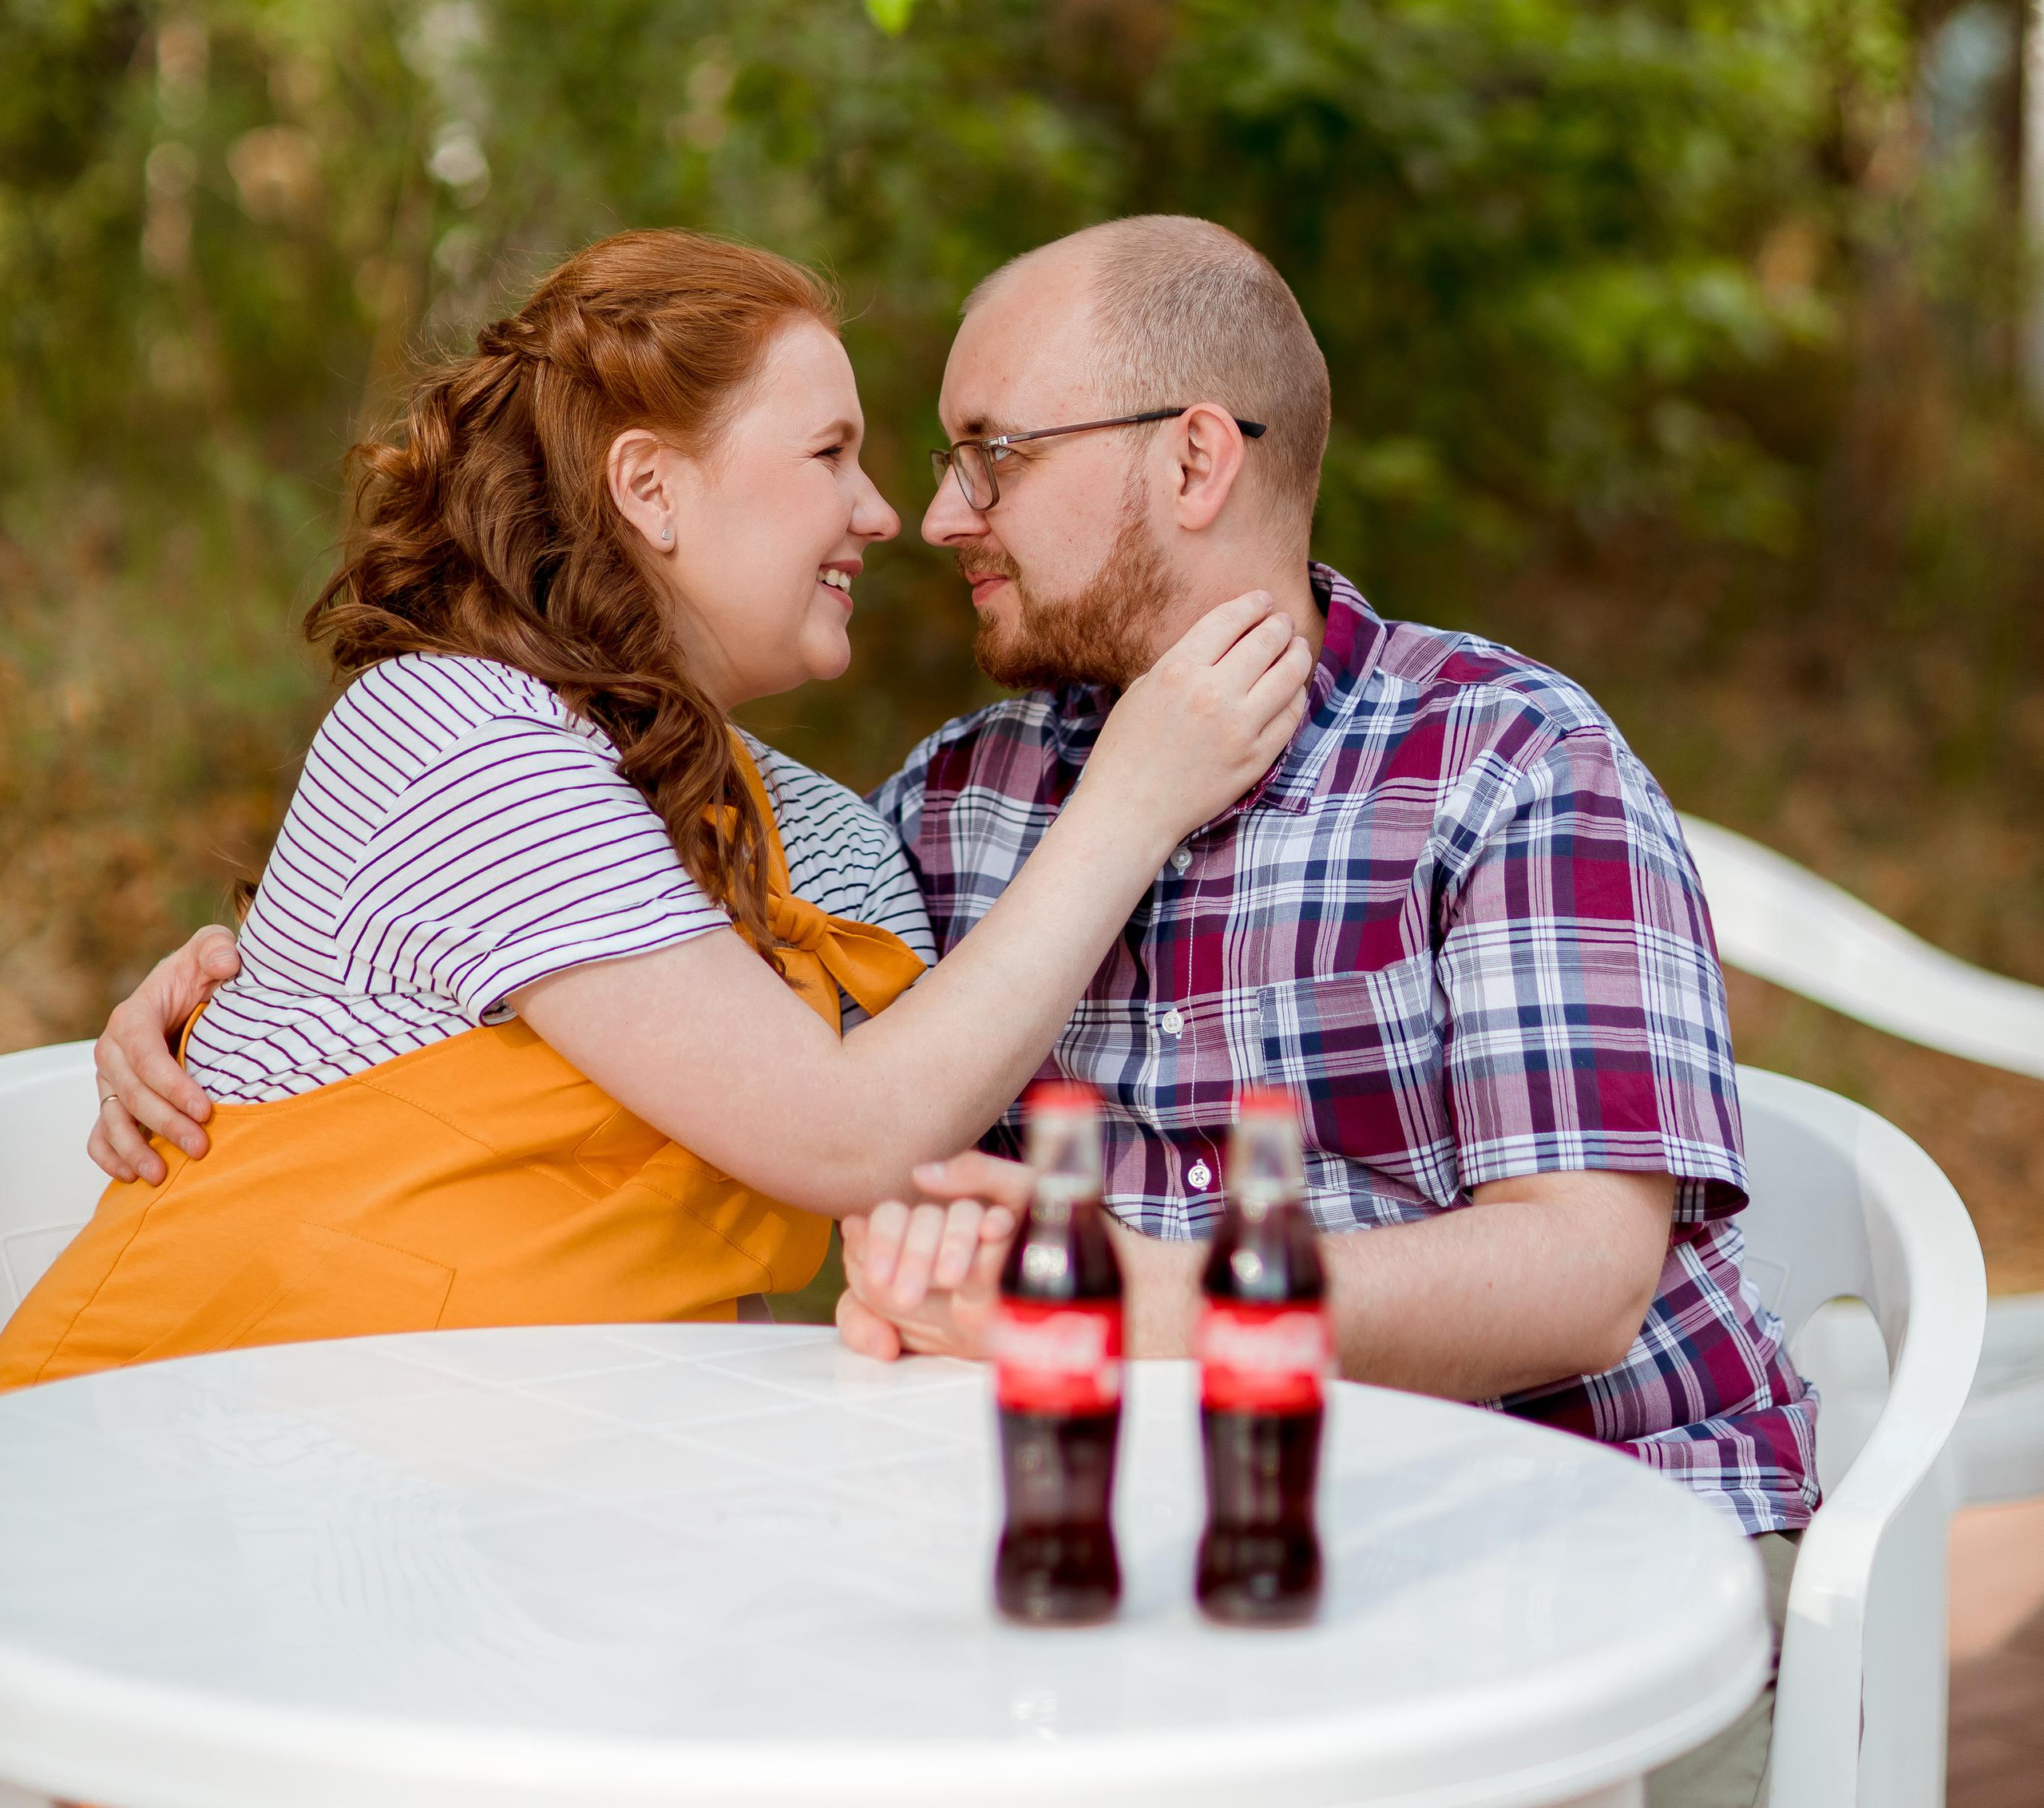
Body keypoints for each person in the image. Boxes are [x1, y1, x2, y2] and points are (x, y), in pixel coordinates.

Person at [90, 215, 1806, 1804]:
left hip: (1556, 1572)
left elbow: (1583, 1279)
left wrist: (1143, 1306)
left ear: (1192, 458)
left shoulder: (1507, 763)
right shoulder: (949, 810)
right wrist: (246, 982)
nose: (928, 516)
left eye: (992, 452)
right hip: (1091, 1594)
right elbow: (716, 1047)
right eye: (883, 457)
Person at [2, 225, 1309, 1389]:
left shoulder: (839, 846)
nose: (884, 514)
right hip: (191, 1451)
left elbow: (861, 1192)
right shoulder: (451, 726)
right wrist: (1131, 802)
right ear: (651, 490)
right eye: (830, 453)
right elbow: (844, 1134)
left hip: (521, 1490)